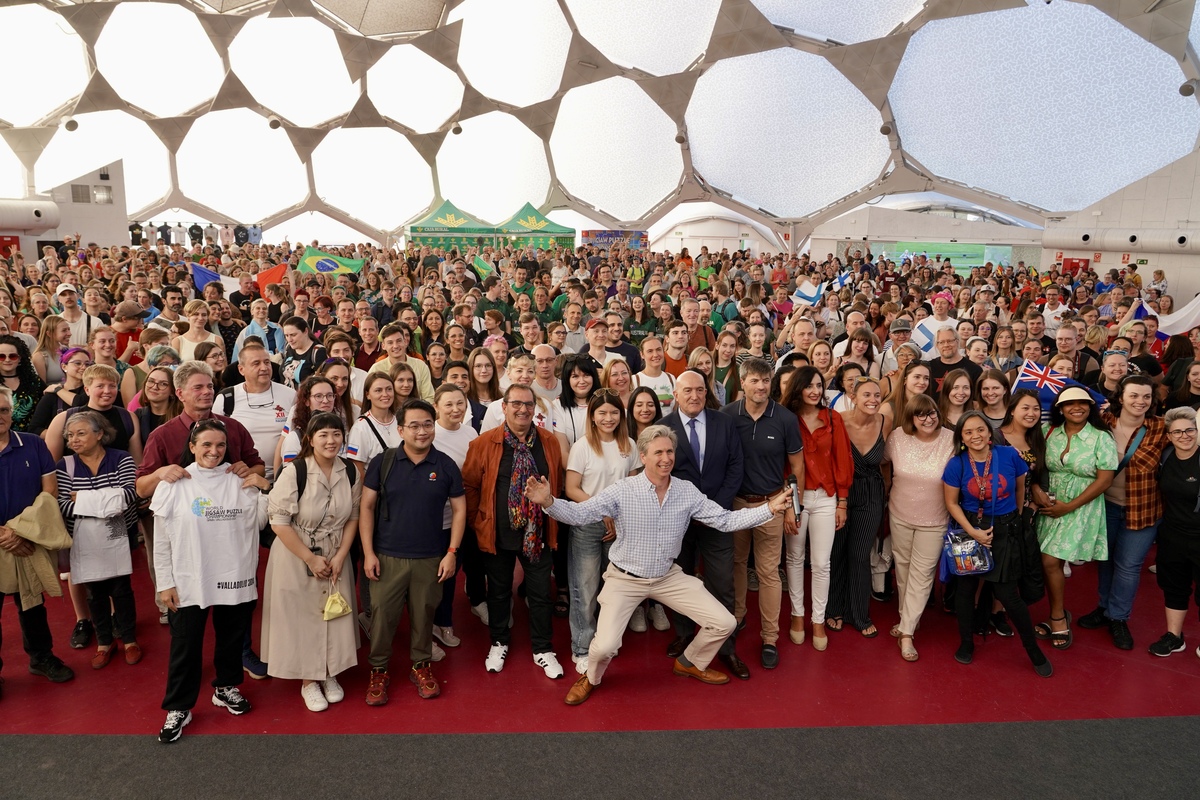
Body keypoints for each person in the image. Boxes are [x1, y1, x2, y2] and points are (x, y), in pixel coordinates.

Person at [527, 425, 791, 704]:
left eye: (669, 452)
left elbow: (725, 520)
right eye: (658, 453)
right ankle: (591, 678)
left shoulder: (686, 492)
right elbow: (580, 514)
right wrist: (549, 502)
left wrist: (769, 509)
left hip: (667, 577)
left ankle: (690, 663)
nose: (665, 458)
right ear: (643, 456)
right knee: (604, 647)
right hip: (625, 578)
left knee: (724, 622)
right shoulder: (622, 490)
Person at [135, 362, 268, 679]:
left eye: (210, 386)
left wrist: (248, 473)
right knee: (188, 626)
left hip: (226, 534)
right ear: (179, 393)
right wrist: (159, 473)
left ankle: (240, 657)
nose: (207, 391)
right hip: (186, 537)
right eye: (198, 387)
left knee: (234, 607)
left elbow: (257, 467)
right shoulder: (163, 435)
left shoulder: (232, 428)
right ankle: (184, 693)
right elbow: (141, 487)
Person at [152, 418, 271, 743]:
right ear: (192, 447)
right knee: (185, 646)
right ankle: (179, 706)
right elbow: (162, 541)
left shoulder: (240, 480)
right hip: (190, 579)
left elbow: (260, 522)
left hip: (236, 575)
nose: (214, 451)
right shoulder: (173, 484)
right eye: (206, 444)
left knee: (232, 638)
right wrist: (165, 583)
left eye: (220, 445)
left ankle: (226, 687)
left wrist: (261, 486)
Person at [462, 384, 565, 679]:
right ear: (504, 407)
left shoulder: (548, 442)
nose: (523, 410)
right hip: (498, 532)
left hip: (539, 533)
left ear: (536, 409)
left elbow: (554, 485)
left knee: (540, 593)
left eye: (529, 405)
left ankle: (543, 649)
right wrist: (478, 521)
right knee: (498, 591)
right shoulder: (484, 443)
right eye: (516, 404)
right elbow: (470, 485)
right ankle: (498, 642)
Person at [263, 412, 361, 711]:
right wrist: (310, 558)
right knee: (303, 616)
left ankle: (329, 671)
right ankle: (308, 680)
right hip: (297, 552)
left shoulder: (352, 471)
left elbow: (354, 516)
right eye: (323, 435)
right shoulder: (295, 471)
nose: (330, 440)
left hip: (335, 551)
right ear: (310, 440)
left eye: (336, 434)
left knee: (333, 611)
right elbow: (279, 522)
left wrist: (342, 554)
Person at [943, 411, 1051, 676]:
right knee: (966, 591)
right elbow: (951, 503)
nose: (975, 436)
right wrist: (973, 532)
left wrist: (1012, 518)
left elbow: (1019, 487)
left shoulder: (1009, 455)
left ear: (990, 433)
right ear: (962, 438)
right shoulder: (956, 464)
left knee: (1008, 596)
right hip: (970, 530)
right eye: (968, 432)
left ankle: (1033, 651)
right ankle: (967, 642)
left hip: (1004, 529)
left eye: (980, 430)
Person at [661, 371, 749, 678]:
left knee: (722, 583)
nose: (695, 396)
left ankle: (727, 649)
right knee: (680, 582)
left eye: (700, 390)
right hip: (678, 522)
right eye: (688, 391)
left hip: (718, 518)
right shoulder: (664, 428)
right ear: (676, 393)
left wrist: (715, 508)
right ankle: (685, 635)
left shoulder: (724, 423)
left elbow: (736, 465)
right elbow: (660, 473)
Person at [722, 358, 803, 669]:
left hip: (773, 504)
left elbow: (797, 467)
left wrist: (794, 509)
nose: (761, 386)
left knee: (769, 573)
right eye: (755, 380)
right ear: (742, 382)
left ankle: (769, 637)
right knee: (737, 564)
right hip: (736, 506)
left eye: (766, 380)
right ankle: (738, 617)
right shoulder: (727, 416)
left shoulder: (784, 418)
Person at [1077, 376, 1167, 650]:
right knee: (1105, 560)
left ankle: (1118, 617)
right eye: (1134, 395)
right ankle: (1104, 608)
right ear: (1121, 397)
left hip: (1143, 509)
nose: (1140, 401)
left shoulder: (1161, 428)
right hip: (1104, 506)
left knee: (1127, 566)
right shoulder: (1102, 423)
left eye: (1146, 397)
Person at [0, 386, 75, 686]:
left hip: (28, 540)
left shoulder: (32, 444)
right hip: (7, 539)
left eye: (4, 410)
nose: (0, 416)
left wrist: (22, 533)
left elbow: (49, 493)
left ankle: (41, 658)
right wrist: (5, 535)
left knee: (32, 604)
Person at [56, 410, 141, 669]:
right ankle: (104, 642)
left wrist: (81, 498)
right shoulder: (65, 466)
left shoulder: (122, 459)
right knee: (94, 593)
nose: (74, 440)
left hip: (118, 534)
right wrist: (106, 500)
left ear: (100, 434)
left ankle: (129, 640)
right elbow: (62, 506)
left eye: (81, 433)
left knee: (121, 589)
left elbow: (127, 498)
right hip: (83, 539)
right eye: (70, 435)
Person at [1036, 387, 1118, 651]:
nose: (1076, 408)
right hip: (1050, 503)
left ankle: (1058, 617)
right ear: (1060, 408)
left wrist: (1069, 506)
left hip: (1081, 505)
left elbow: (1105, 479)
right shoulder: (1050, 433)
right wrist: (1038, 491)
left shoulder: (1101, 437)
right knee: (1048, 561)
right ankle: (1054, 613)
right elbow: (1037, 466)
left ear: (1090, 407)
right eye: (1069, 404)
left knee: (1051, 560)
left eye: (1082, 403)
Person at [564, 391, 639, 674]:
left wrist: (617, 517)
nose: (609, 418)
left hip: (619, 526)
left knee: (614, 590)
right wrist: (602, 511)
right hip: (588, 524)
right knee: (585, 588)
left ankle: (606, 640)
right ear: (592, 417)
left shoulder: (629, 445)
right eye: (602, 413)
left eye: (614, 412)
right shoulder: (582, 446)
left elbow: (633, 488)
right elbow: (572, 489)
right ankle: (582, 648)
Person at [781, 366, 853, 651]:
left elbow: (842, 461)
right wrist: (786, 502)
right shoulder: (786, 419)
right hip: (794, 498)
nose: (815, 391)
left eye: (819, 385)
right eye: (809, 385)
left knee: (822, 563)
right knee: (795, 558)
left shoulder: (833, 419)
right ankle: (798, 615)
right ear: (797, 388)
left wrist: (843, 502)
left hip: (825, 498)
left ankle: (818, 620)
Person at [883, 393, 955, 662]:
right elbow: (884, 464)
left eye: (932, 412)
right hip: (900, 514)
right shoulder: (898, 438)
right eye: (921, 414)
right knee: (902, 569)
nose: (929, 418)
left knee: (923, 575)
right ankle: (909, 618)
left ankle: (906, 633)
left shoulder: (950, 439)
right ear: (912, 418)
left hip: (935, 519)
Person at [828, 376, 890, 638]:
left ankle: (859, 613)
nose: (873, 400)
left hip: (871, 494)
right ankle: (834, 609)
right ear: (852, 397)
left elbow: (886, 463)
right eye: (866, 395)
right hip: (840, 493)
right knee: (837, 551)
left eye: (877, 395)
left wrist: (885, 496)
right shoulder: (838, 420)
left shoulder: (884, 423)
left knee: (860, 554)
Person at [1146, 408, 1200, 657]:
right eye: (1177, 431)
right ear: (1168, 435)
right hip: (1173, 535)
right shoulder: (1166, 457)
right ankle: (1174, 637)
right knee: (1174, 586)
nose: (1184, 435)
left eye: (1190, 430)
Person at [431, 384, 479, 650]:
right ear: (436, 406)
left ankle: (444, 622)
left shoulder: (471, 432)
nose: (455, 409)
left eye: (460, 403)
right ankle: (426, 626)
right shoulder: (430, 434)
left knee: (451, 573)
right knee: (430, 577)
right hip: (432, 519)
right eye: (448, 404)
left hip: (460, 518)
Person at [218, 343, 295, 482]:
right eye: (256, 363)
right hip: (241, 481)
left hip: (285, 479)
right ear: (241, 370)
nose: (264, 368)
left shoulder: (290, 395)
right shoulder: (227, 399)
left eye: (267, 362)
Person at [346, 372, 399, 472]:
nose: (385, 394)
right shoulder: (360, 427)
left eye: (389, 389)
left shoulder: (401, 420)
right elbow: (358, 469)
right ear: (368, 395)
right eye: (378, 390)